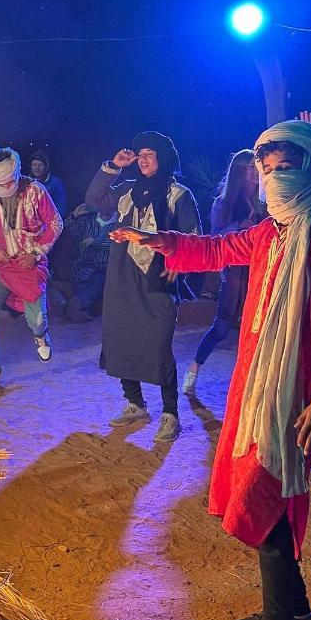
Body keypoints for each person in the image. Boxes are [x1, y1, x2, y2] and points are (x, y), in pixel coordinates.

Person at [110, 120, 311, 620]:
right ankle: (292, 612)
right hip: (256, 389)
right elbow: (218, 249)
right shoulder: (269, 233)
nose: (274, 179)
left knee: (263, 495)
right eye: (266, 171)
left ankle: (282, 614)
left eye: (284, 168)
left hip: (298, 395)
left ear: (310, 171)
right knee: (272, 497)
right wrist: (163, 240)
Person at [86, 131, 201, 442]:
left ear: (163, 158)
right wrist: (113, 165)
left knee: (158, 344)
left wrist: (180, 265)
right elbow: (93, 199)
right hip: (122, 275)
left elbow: (194, 236)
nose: (144, 158)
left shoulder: (178, 194)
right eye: (141, 153)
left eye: (151, 153)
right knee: (121, 337)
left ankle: (170, 413)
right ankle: (135, 403)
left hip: (159, 277)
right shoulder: (126, 189)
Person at [0, 147, 63, 391]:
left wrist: (36, 252)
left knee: (36, 320)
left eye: (10, 181)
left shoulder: (36, 191)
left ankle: (40, 335)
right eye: (1, 183)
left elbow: (56, 223)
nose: (7, 187)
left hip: (30, 265)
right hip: (0, 264)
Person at [183, 150, 266, 396]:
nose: (254, 172)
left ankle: (253, 383)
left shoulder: (266, 201)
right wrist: (239, 227)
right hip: (235, 272)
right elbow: (215, 236)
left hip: (260, 269)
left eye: (256, 167)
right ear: (239, 173)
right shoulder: (225, 202)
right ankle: (194, 368)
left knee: (257, 326)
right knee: (222, 325)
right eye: (249, 168)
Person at [64, 203, 115, 322]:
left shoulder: (120, 224)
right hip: (83, 267)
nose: (105, 206)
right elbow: (68, 229)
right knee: (82, 282)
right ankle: (78, 307)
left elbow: (120, 246)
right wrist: (74, 216)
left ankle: (76, 306)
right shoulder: (88, 221)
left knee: (97, 281)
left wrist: (96, 242)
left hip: (105, 269)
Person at [29, 149, 67, 218]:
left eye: (40, 165)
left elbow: (61, 205)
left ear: (46, 167)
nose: (37, 168)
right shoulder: (26, 183)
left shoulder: (55, 183)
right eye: (34, 165)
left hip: (49, 221)